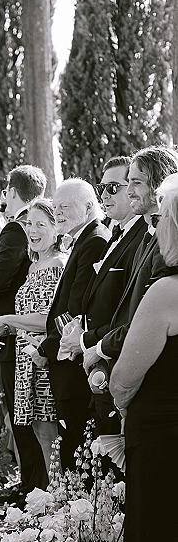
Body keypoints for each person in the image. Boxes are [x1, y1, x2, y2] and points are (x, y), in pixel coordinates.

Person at [108, 184, 178, 542]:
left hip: (162, 436)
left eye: (161, 221)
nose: (154, 230)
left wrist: (124, 406)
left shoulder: (166, 292)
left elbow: (125, 377)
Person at [0, 165, 47, 508]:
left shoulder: (17, 228)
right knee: (15, 410)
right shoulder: (22, 226)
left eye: (5, 191)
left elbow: (2, 272)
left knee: (21, 411)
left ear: (12, 191)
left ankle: (33, 486)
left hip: (14, 328)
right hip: (15, 327)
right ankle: (28, 482)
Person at [58, 157, 146, 437]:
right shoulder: (115, 236)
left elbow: (128, 310)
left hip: (116, 358)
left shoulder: (141, 238)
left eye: (113, 187)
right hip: (97, 360)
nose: (105, 195)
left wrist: (87, 339)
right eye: (102, 187)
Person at [82, 146, 178, 376]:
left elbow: (145, 321)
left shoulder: (168, 245)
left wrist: (100, 348)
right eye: (129, 182)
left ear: (159, 185)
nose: (130, 191)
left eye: (137, 182)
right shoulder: (147, 236)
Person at [36, 179, 109, 471]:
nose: (58, 214)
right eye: (55, 207)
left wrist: (47, 346)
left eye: (64, 207)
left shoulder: (94, 240)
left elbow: (76, 305)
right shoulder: (84, 238)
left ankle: (73, 510)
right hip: (66, 352)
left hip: (72, 356)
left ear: (89, 207)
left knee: (76, 437)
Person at [0, 200, 68, 474]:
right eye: (28, 224)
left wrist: (7, 320)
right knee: (39, 433)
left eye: (40, 224)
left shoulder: (57, 265)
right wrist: (8, 329)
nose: (32, 230)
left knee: (49, 436)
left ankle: (59, 508)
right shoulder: (35, 265)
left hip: (44, 361)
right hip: (26, 360)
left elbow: (49, 320)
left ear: (56, 228)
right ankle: (50, 503)